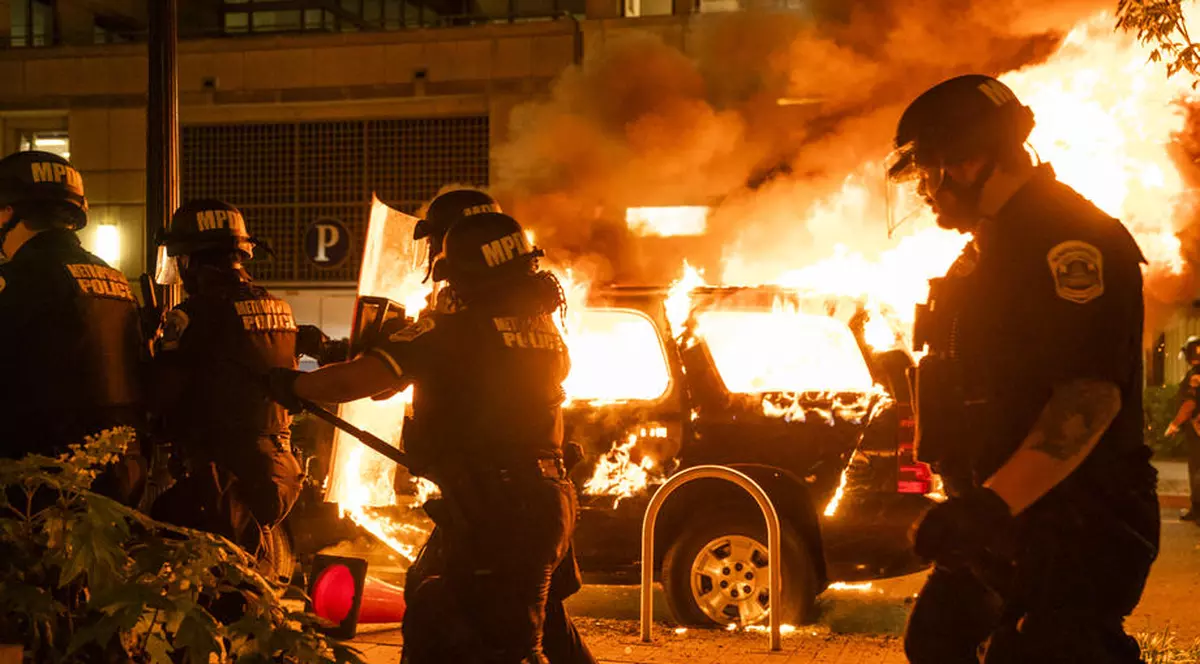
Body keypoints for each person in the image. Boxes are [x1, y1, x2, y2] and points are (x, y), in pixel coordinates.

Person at [889, 75, 1159, 663]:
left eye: (926, 174)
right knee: (936, 638)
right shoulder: (991, 246)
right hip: (1008, 525)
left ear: (965, 162)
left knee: (1046, 649)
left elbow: (1089, 397)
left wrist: (989, 507)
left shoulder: (1069, 241)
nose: (923, 194)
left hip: (1077, 526)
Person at [267, 211, 587, 664]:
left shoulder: (452, 331)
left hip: (500, 508)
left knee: (506, 644)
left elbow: (354, 383)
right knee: (508, 620)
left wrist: (290, 385)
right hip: (538, 500)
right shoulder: (544, 332)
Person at [148, 199, 303, 577]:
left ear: (191, 261)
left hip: (218, 478)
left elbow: (164, 399)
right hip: (279, 467)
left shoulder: (193, 316)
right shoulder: (278, 309)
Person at [0, 150, 145, 502]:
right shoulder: (116, 281)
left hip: (36, 494)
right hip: (118, 486)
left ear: (7, 212)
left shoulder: (13, 281)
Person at [1165, 336, 1200, 523]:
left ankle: (1198, 510)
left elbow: (1190, 403)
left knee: (1197, 470)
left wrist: (1175, 424)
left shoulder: (1195, 375)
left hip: (1197, 432)